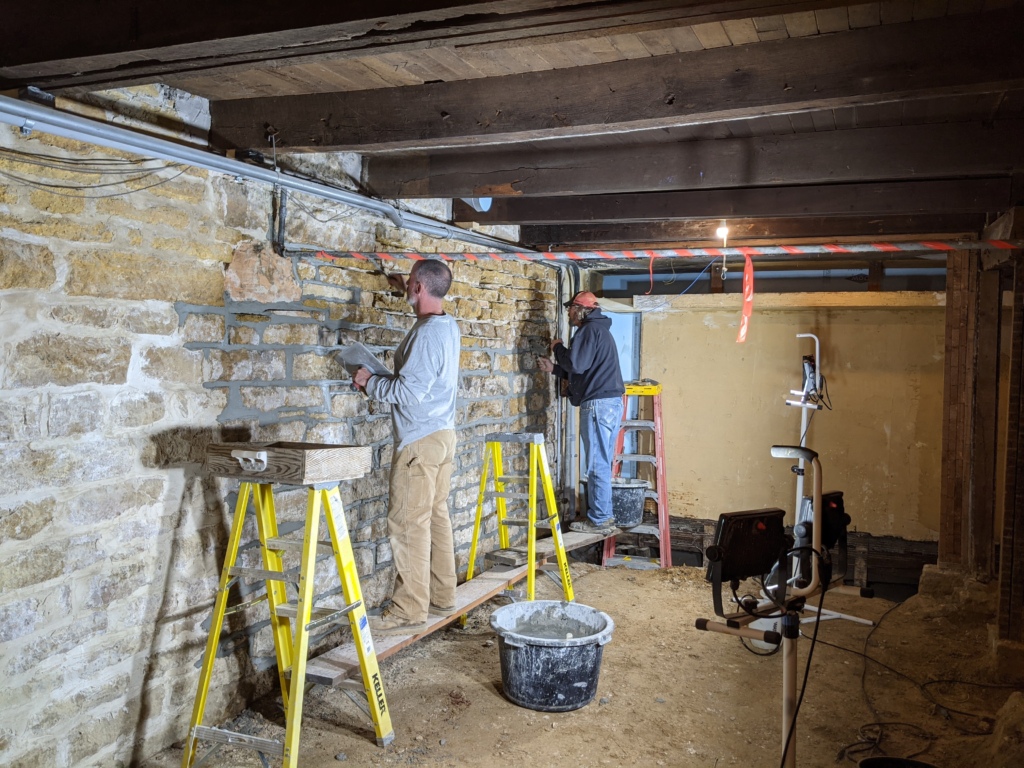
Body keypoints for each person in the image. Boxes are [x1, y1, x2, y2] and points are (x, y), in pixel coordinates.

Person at [353, 259, 461, 635]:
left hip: (419, 440)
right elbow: (420, 382)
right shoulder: (445, 325)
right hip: (442, 437)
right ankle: (443, 596)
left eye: (411, 284)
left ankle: (408, 610)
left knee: (407, 523)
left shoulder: (428, 334)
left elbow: (409, 392)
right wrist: (403, 283)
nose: (408, 288)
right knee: (434, 517)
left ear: (419, 287)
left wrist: (369, 382)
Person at [538, 290, 625, 535]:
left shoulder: (588, 331)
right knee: (602, 462)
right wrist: (555, 369)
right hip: (609, 403)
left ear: (580, 310)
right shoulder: (600, 331)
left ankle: (599, 518)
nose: (568, 313)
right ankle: (603, 516)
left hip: (598, 405)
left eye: (571, 308)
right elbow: (585, 371)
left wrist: (558, 348)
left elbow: (576, 364)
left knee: (596, 464)